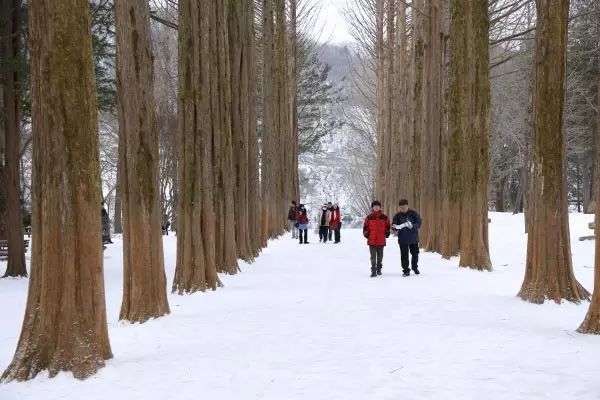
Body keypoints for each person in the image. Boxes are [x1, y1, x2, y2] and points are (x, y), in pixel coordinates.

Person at [392, 199, 422, 277]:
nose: (403, 209)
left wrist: (413, 226)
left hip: (413, 238)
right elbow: (394, 225)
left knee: (415, 254)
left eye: (404, 207)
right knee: (404, 255)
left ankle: (414, 267)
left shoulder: (413, 213)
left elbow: (419, 223)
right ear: (399, 207)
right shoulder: (397, 215)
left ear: (407, 206)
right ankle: (406, 270)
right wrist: (394, 227)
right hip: (403, 239)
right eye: (401, 208)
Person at [363, 200, 391, 277]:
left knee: (380, 256)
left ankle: (379, 269)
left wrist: (387, 232)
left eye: (378, 206)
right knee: (373, 256)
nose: (376, 207)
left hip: (381, 240)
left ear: (380, 207)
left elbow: (388, 226)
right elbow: (365, 227)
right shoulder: (369, 217)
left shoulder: (384, 217)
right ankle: (373, 270)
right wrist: (367, 234)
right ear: (372, 208)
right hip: (372, 240)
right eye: (375, 206)